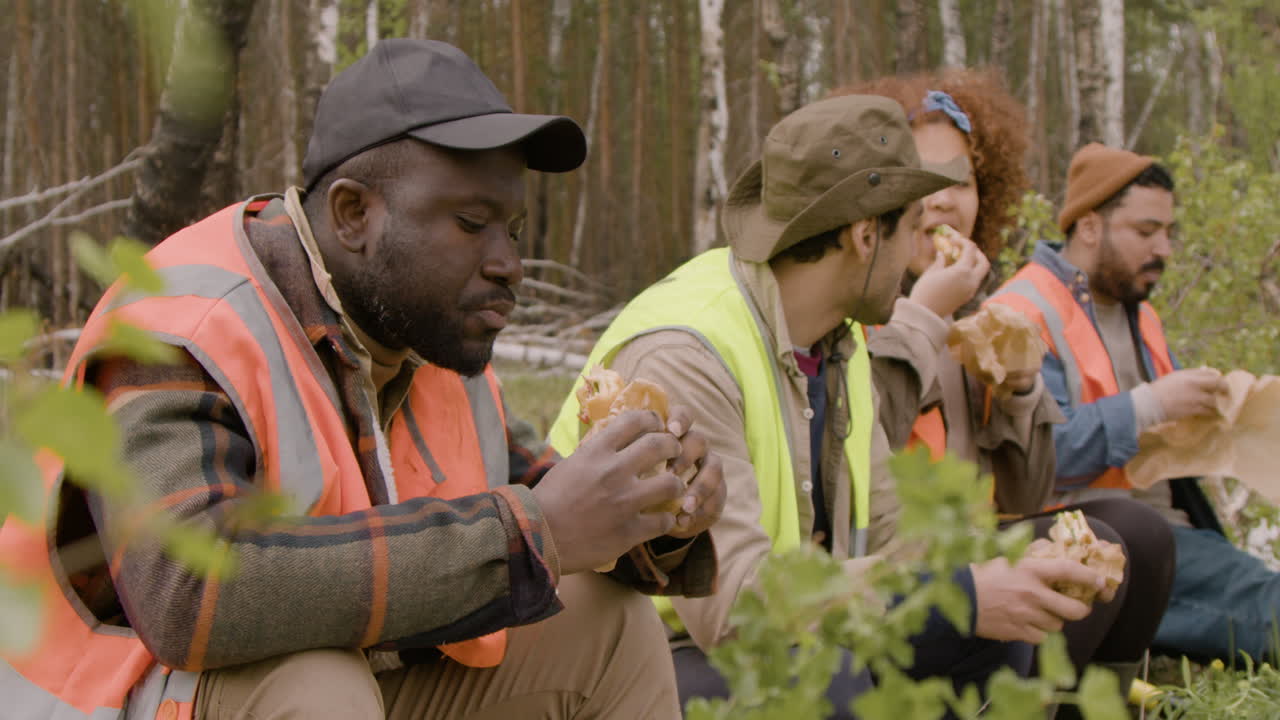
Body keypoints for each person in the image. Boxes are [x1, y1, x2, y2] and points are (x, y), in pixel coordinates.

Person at [1, 39, 727, 720]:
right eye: (473, 223)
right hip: (111, 690)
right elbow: (186, 596)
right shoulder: (185, 322)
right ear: (354, 213)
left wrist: (656, 514)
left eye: (514, 227)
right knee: (320, 687)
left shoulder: (425, 327)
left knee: (610, 627)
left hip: (360, 678)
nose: (508, 261)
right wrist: (531, 531)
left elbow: (548, 500)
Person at [547, 94, 1112, 718]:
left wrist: (997, 568)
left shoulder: (837, 338)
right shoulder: (687, 353)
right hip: (644, 659)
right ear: (867, 235)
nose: (920, 243)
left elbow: (896, 533)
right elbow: (733, 606)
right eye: (913, 224)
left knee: (989, 624)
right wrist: (963, 592)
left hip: (787, 624)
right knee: (825, 678)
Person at [839, 72, 1176, 696]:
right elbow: (855, 457)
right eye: (923, 178)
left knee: (1139, 537)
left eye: (961, 181)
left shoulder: (982, 314)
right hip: (888, 570)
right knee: (1072, 550)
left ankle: (1090, 705)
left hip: (969, 540)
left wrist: (1020, 392)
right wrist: (924, 315)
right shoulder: (850, 311)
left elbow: (1029, 490)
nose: (943, 200)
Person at [989, 141, 1279, 665]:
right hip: (1081, 540)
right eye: (1146, 232)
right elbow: (1033, 458)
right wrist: (1149, 404)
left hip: (1163, 534)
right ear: (1090, 226)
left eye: (1169, 232)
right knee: (1267, 607)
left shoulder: (1139, 313)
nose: (1164, 249)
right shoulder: (1019, 314)